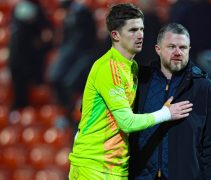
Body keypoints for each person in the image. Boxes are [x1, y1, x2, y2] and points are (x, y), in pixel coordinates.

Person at [68, 4, 193, 180]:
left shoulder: (131, 67)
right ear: (115, 35)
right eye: (133, 30)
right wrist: (166, 113)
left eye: (141, 28)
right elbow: (126, 122)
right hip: (94, 166)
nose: (140, 35)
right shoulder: (108, 69)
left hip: (114, 166)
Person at [129, 23, 211, 180]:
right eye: (171, 46)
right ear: (158, 49)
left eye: (183, 47)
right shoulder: (139, 82)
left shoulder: (205, 88)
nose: (178, 52)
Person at [8, 0, 53, 110]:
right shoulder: (23, 8)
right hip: (21, 57)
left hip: (27, 58)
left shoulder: (31, 8)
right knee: (20, 92)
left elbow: (46, 34)